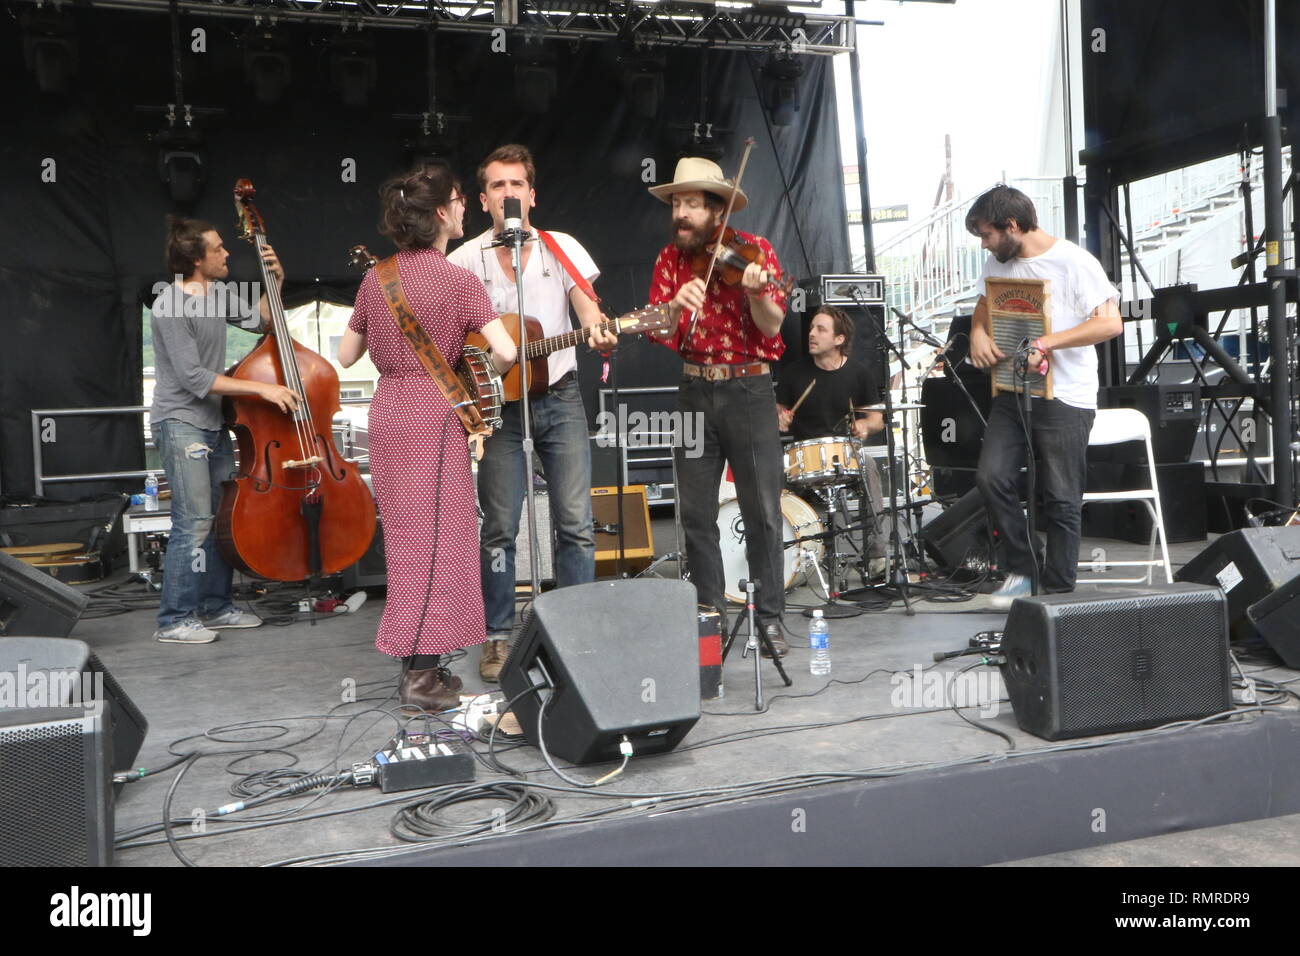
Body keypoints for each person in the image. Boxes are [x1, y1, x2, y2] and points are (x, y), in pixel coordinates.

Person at [339, 165, 517, 711]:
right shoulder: (461, 282)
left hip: (389, 413)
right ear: (441, 213)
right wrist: (467, 357)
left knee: (408, 543)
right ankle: (421, 677)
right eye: (461, 200)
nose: (466, 207)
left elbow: (345, 356)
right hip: (436, 417)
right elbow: (507, 353)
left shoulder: (378, 278)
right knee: (441, 544)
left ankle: (423, 667)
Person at [448, 144, 618, 682]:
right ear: (483, 200)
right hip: (499, 410)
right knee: (499, 527)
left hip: (560, 397)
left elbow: (587, 304)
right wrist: (475, 377)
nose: (509, 193)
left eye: (517, 184)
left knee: (576, 524)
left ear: (532, 194)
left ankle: (576, 630)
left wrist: (596, 325)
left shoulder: (559, 246)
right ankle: (496, 638)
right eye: (498, 186)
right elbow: (449, 339)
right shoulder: (463, 259)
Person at [645, 156, 791, 656]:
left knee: (763, 511)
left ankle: (769, 619)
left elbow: (772, 326)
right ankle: (708, 619)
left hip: (748, 390)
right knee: (696, 515)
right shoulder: (669, 260)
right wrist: (673, 308)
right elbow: (658, 330)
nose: (680, 214)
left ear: (717, 210)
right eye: (677, 204)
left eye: (691, 204)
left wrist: (755, 294)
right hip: (692, 391)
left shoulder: (756, 252)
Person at [965, 184, 1121, 608]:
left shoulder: (1073, 262)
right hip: (1014, 390)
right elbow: (983, 305)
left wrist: (1047, 342)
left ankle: (1058, 594)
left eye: (987, 235)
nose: (984, 244)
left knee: (1060, 495)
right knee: (991, 477)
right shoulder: (998, 262)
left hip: (1066, 395)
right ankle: (1023, 568)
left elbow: (1110, 324)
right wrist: (978, 333)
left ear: (1012, 225)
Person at [149, 217, 299, 645]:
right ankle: (174, 619)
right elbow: (195, 379)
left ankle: (216, 607)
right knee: (193, 522)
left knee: (221, 521)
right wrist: (261, 389)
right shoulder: (170, 305)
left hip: (212, 423)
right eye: (217, 248)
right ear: (196, 259)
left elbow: (265, 323)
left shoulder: (218, 293)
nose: (227, 252)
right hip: (181, 422)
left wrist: (276, 280)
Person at [774, 305, 888, 578]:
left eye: (820, 329)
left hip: (845, 453)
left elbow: (877, 419)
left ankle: (877, 554)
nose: (811, 334)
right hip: (803, 457)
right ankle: (785, 561)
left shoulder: (859, 374)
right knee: (771, 475)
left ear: (839, 339)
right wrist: (779, 418)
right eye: (812, 328)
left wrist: (864, 424)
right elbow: (777, 411)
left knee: (869, 465)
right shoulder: (794, 373)